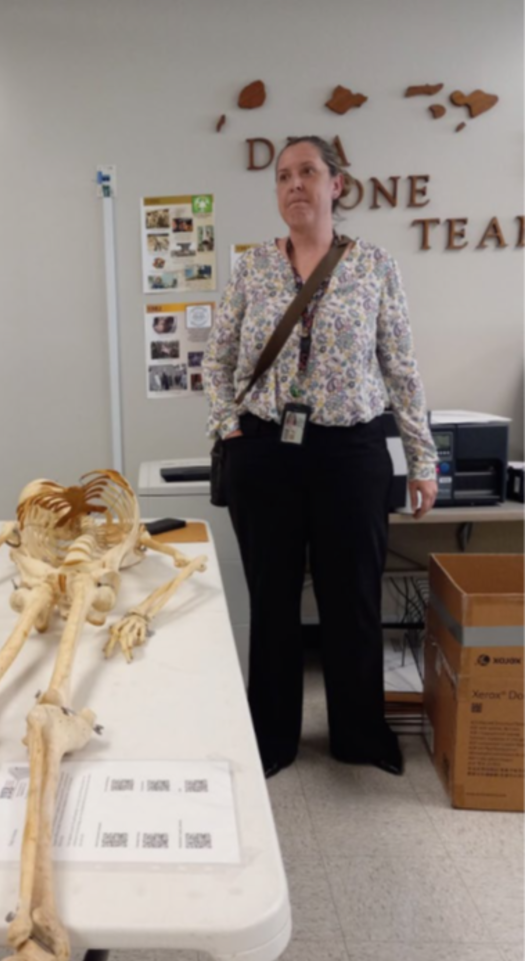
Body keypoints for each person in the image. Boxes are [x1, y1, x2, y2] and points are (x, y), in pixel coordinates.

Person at [202, 135, 438, 779]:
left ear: (337, 184)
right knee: (272, 601)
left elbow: (402, 368)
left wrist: (423, 459)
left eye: (308, 172)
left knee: (352, 600)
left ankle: (359, 735)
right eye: (283, 176)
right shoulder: (252, 268)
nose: (294, 185)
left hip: (351, 452)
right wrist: (228, 428)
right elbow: (217, 362)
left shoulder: (375, 266)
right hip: (265, 453)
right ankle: (272, 739)